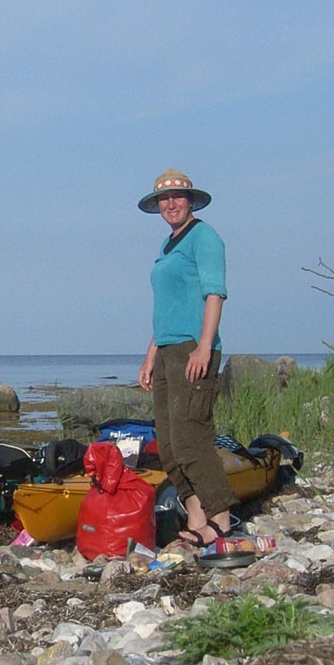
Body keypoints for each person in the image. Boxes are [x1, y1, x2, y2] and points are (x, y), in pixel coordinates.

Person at [136, 170, 234, 547]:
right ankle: (195, 514)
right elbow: (166, 307)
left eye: (177, 197)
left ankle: (221, 518)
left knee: (192, 439)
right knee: (170, 445)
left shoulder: (204, 237)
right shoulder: (167, 244)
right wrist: (150, 357)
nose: (171, 204)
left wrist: (205, 346)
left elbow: (214, 293)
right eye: (164, 199)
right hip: (165, 351)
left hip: (193, 347)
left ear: (190, 200)